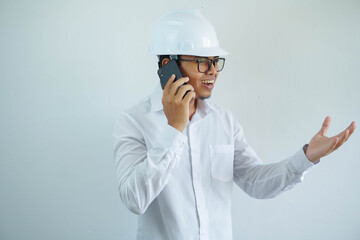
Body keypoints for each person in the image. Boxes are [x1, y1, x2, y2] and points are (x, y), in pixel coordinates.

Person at [113, 9, 356, 240]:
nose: (213, 71)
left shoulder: (223, 120)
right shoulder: (134, 121)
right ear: (169, 65)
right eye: (202, 62)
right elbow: (134, 199)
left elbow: (254, 181)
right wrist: (174, 129)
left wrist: (305, 158)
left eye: (215, 61)